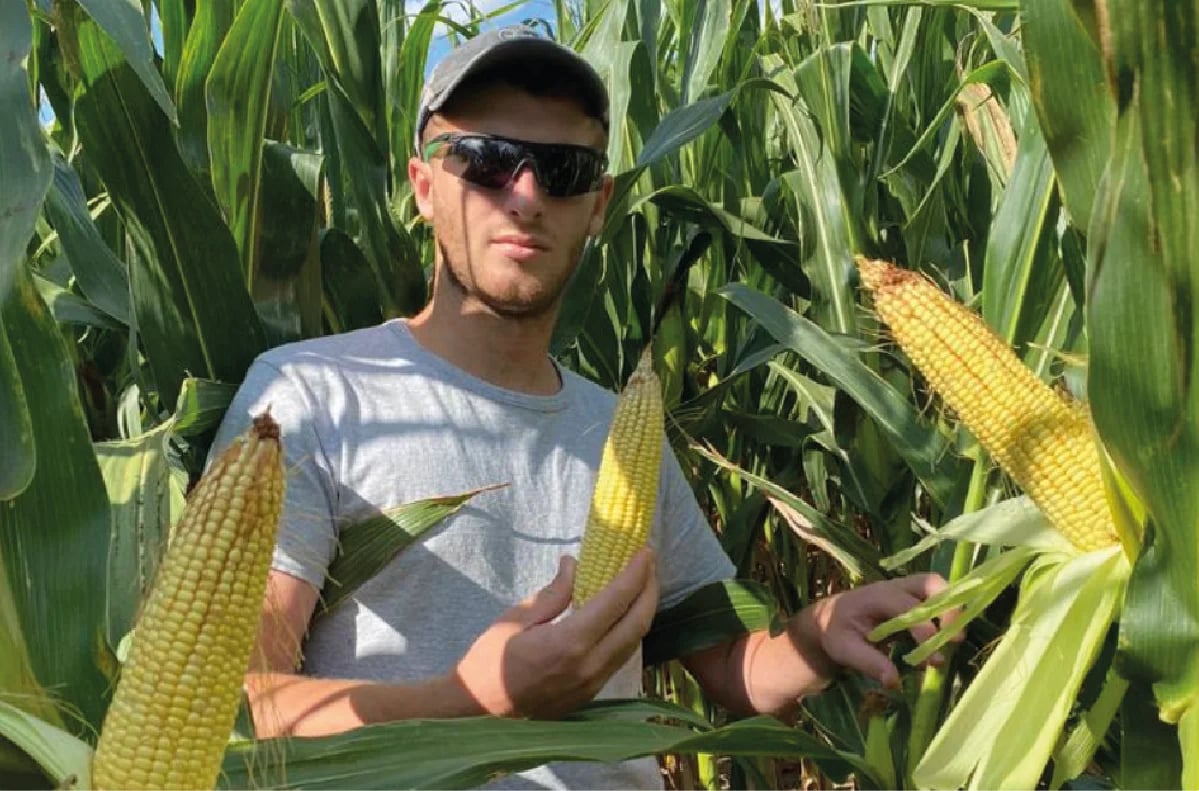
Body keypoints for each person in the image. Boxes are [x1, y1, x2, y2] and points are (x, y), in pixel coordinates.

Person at [209, 24, 954, 790]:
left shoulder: (618, 431)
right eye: (485, 161)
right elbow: (233, 704)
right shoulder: (306, 398)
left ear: (596, 204)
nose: (525, 195)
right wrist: (471, 702)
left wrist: (817, 636)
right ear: (424, 185)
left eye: (562, 170)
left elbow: (733, 667)